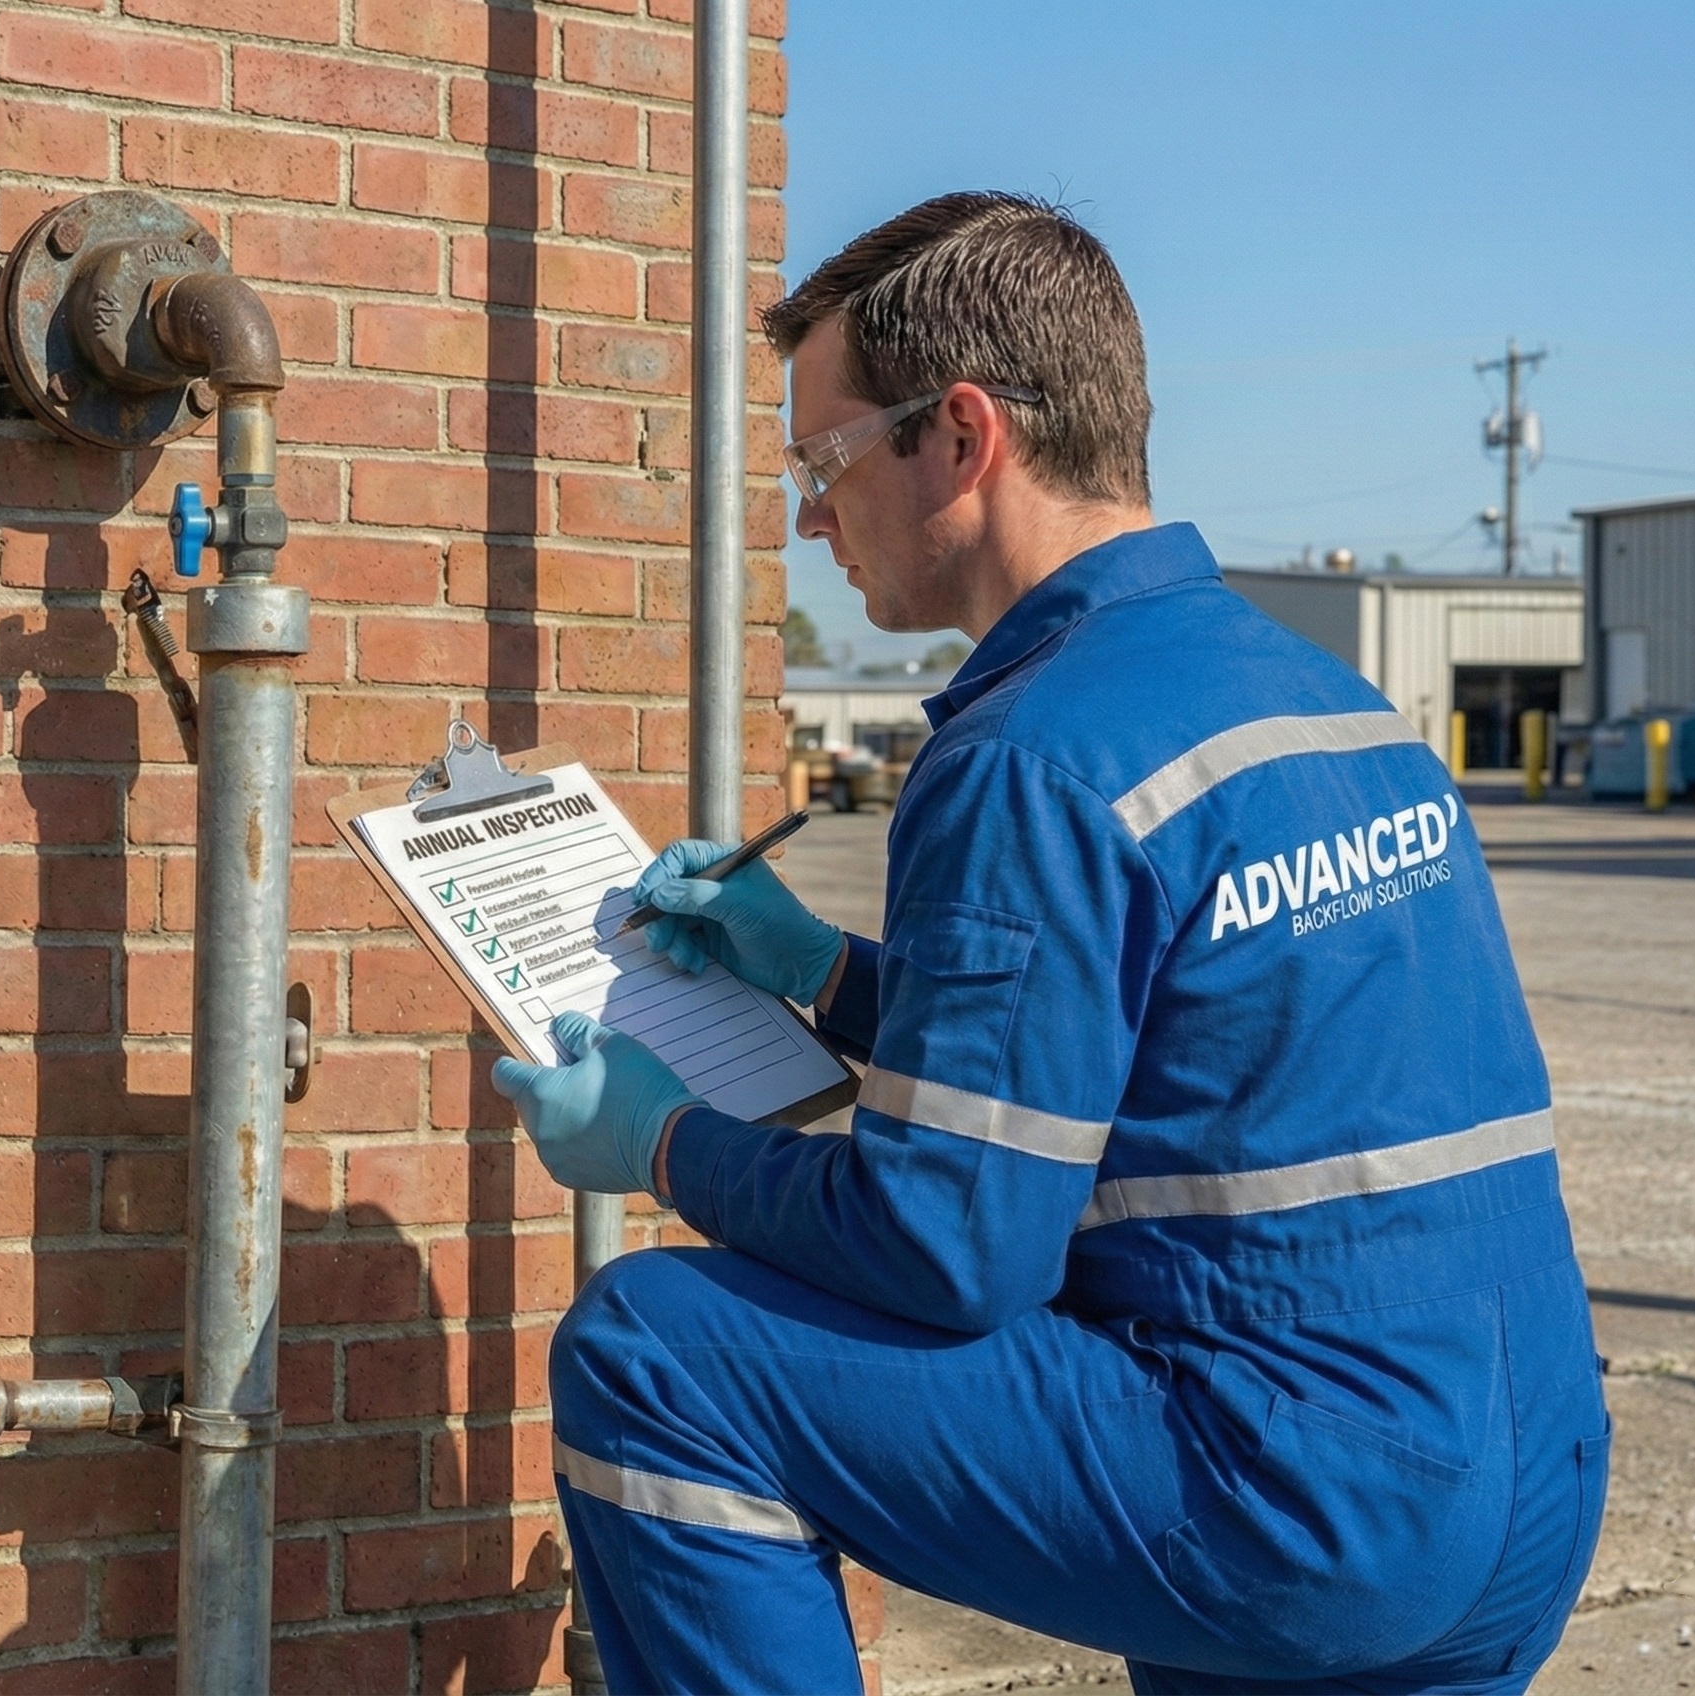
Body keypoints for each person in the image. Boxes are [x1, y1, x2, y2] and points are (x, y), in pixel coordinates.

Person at [491, 192, 1608, 1696]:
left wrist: (662, 1140)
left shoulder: (1032, 753)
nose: (809, 519)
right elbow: (1136, 1049)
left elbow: (948, 1248)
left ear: (958, 438)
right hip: (1526, 1476)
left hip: (1304, 1503)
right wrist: (816, 970)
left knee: (655, 1354)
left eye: (822, 463)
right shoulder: (1322, 703)